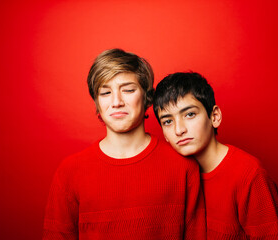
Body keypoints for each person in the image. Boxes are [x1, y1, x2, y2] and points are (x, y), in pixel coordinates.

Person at [42, 50, 206, 239]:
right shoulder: (70, 172)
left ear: (147, 97)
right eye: (105, 92)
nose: (117, 102)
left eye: (128, 90)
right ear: (97, 103)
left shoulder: (183, 166)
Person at [153, 72, 278, 239]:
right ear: (164, 134)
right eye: (168, 121)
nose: (179, 130)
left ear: (214, 117)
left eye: (190, 114)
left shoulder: (250, 176)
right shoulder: (174, 177)